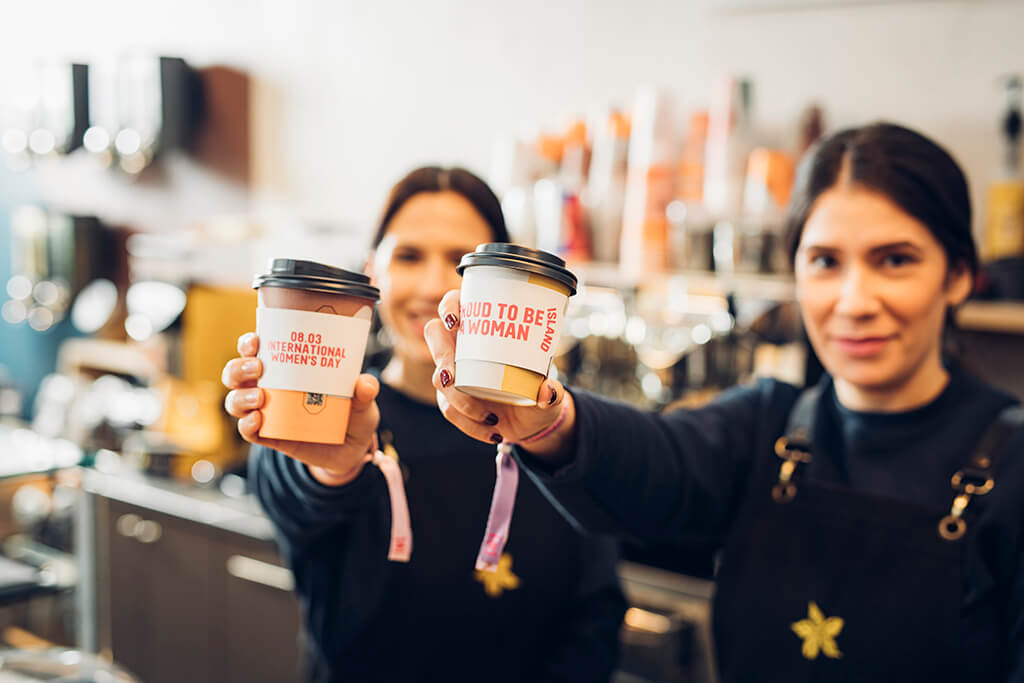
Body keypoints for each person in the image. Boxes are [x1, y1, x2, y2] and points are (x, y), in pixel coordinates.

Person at [425, 124, 1024, 681]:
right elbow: (654, 458)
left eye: (895, 260)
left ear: (959, 276)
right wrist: (547, 419)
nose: (854, 300)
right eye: (824, 261)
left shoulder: (1014, 460)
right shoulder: (765, 425)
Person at [222, 166, 626, 683]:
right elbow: (290, 490)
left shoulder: (551, 430)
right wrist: (334, 468)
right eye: (408, 256)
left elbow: (594, 611)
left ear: (506, 286)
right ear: (372, 270)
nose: (434, 285)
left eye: (461, 263)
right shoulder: (330, 414)